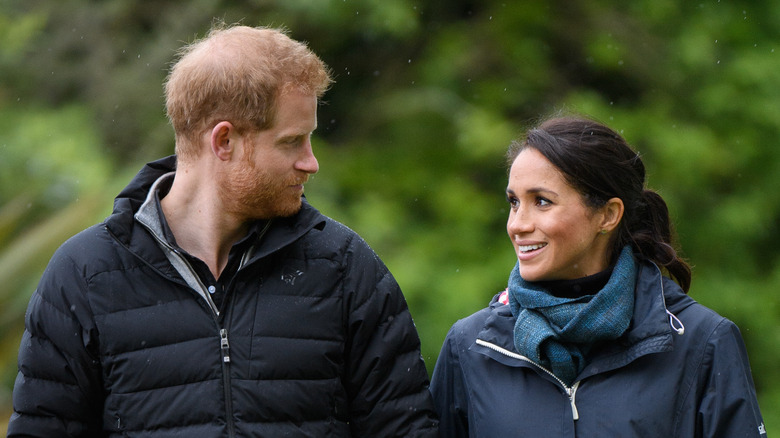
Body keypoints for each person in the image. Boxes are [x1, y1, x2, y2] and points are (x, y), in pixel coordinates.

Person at [8, 24, 438, 437]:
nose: (311, 162)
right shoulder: (84, 275)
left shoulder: (344, 267)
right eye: (292, 141)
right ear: (224, 142)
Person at [430, 116, 766, 437]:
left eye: (542, 202)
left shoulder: (701, 342)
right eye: (514, 202)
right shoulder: (470, 347)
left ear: (607, 215)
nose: (518, 224)